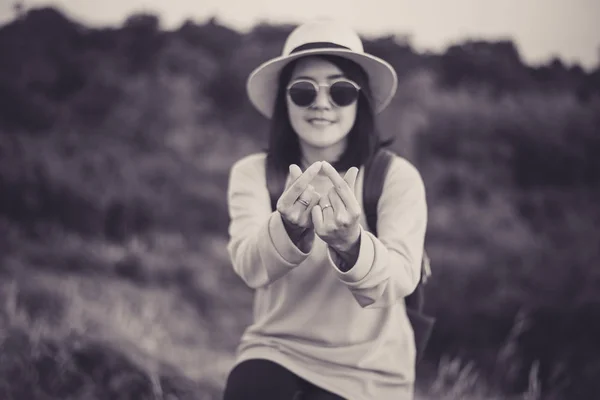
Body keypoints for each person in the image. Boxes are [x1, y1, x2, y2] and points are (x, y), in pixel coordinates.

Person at [222, 19, 428, 400]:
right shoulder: (253, 173)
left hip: (372, 369)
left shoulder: (396, 177)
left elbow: (400, 279)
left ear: (360, 99)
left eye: (341, 91)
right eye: (303, 91)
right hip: (276, 349)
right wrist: (286, 228)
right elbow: (250, 266)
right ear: (284, 100)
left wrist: (352, 245)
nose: (321, 102)